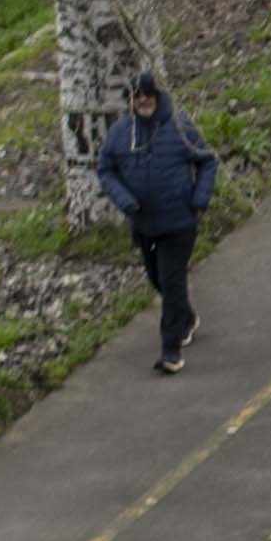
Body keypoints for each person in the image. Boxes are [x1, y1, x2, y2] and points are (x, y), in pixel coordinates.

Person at [94, 77, 218, 376]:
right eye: (138, 96)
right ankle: (186, 318)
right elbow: (105, 169)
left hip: (179, 222)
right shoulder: (120, 133)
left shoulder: (179, 126)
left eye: (148, 95)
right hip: (144, 225)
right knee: (157, 279)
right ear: (131, 101)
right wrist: (125, 200)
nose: (144, 101)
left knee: (172, 283)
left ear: (157, 96)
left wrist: (200, 198)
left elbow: (207, 161)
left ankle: (170, 351)